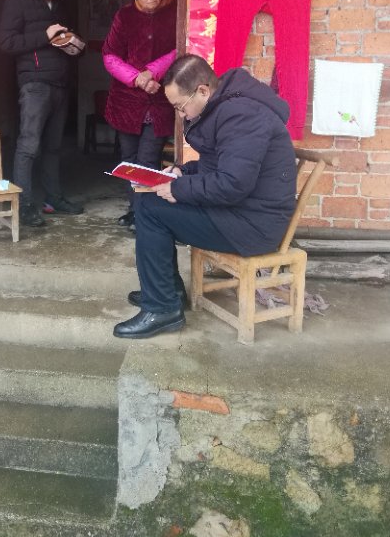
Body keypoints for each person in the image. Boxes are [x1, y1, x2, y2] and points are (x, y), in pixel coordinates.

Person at [113, 54, 297, 339]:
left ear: (202, 90)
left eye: (180, 106)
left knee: (149, 208)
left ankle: (162, 307)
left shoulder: (242, 115)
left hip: (253, 224)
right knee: (148, 199)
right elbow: (219, 166)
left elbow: (233, 183)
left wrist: (177, 189)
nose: (181, 115)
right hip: (238, 212)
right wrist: (182, 172)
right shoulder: (226, 107)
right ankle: (168, 292)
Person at [0, 0, 84, 228]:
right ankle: (24, 206)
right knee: (28, 146)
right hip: (34, 85)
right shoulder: (17, 2)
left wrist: (72, 44)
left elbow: (57, 40)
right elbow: (6, 42)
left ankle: (53, 199)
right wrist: (45, 36)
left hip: (59, 82)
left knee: (53, 147)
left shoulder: (58, 6)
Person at [102, 0, 177, 230]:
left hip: (158, 101)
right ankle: (135, 210)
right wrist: (138, 79)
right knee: (129, 159)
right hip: (127, 102)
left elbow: (178, 49)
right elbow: (110, 56)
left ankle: (146, 215)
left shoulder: (173, 13)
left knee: (148, 160)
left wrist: (152, 73)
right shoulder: (124, 16)